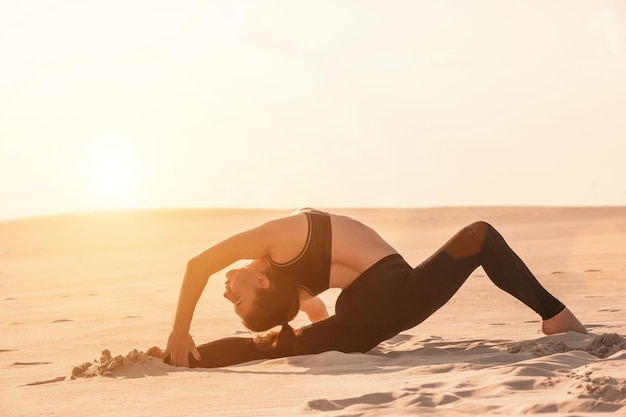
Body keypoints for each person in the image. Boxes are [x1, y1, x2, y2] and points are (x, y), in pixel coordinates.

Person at [157, 208, 587, 368]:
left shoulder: (280, 252)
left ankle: (185, 359)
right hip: (388, 300)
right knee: (480, 236)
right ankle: (555, 316)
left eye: (232, 295)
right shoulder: (279, 258)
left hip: (371, 317)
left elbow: (199, 266)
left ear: (263, 278)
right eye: (235, 298)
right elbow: (201, 267)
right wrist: (304, 328)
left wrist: (180, 332)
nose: (225, 289)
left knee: (270, 345)